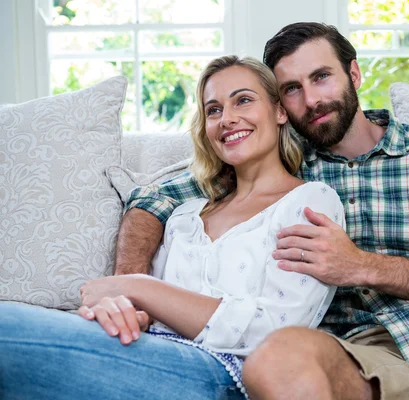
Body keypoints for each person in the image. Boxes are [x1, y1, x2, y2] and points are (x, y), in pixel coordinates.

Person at [104, 23, 409, 400]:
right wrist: (130, 289)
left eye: (321, 77)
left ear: (354, 73)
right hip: (360, 355)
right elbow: (155, 198)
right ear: (280, 106)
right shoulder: (279, 165)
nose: (312, 99)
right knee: (276, 360)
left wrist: (358, 265)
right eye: (292, 88)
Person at [0, 55, 345, 399]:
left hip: (226, 374)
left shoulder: (310, 201)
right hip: (147, 354)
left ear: (279, 111)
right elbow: (146, 314)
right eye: (213, 110)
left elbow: (275, 331)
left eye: (243, 100)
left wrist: (139, 287)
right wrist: (120, 311)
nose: (227, 119)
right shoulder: (186, 215)